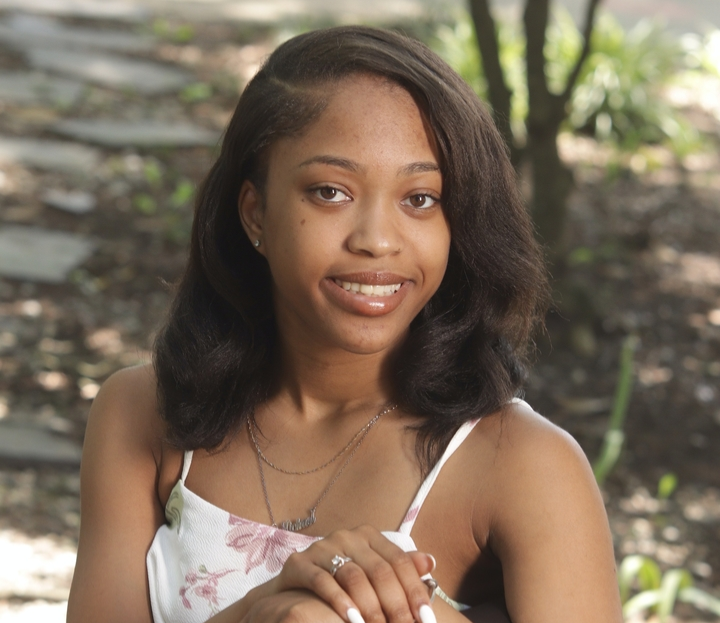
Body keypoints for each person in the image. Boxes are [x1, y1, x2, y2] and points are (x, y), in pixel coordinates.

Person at [66, 25, 622, 623]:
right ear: (256, 213)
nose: (376, 240)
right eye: (330, 192)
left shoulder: (525, 465)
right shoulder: (143, 413)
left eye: (420, 199)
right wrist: (255, 616)